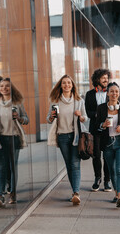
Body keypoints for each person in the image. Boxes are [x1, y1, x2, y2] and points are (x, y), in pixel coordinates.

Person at [47, 74, 88, 205]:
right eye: (64, 83)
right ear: (60, 85)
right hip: (62, 136)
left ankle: (76, 193)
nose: (66, 85)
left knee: (75, 164)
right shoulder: (56, 101)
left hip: (75, 136)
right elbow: (48, 119)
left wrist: (80, 115)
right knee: (69, 165)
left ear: (72, 85)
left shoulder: (79, 101)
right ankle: (74, 191)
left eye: (69, 83)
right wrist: (52, 116)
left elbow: (85, 118)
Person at [0, 78, 29, 207]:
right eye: (1, 86)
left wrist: (19, 117)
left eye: (7, 86)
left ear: (11, 88)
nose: (4, 88)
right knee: (1, 167)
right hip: (0, 139)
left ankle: (12, 193)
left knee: (12, 167)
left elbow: (26, 119)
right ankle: (1, 195)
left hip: (14, 138)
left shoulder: (17, 103)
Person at [96, 82, 120, 208]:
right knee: (112, 171)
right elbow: (96, 125)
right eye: (112, 91)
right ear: (108, 93)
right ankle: (116, 193)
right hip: (108, 143)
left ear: (119, 93)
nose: (114, 94)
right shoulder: (101, 108)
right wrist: (102, 125)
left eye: (116, 91)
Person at [85, 69, 112, 192]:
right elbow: (88, 111)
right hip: (95, 129)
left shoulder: (111, 92)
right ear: (97, 80)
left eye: (107, 77)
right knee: (96, 155)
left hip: (108, 129)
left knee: (107, 156)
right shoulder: (90, 94)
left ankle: (107, 181)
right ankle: (97, 178)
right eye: (103, 78)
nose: (106, 80)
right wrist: (98, 114)